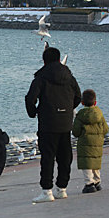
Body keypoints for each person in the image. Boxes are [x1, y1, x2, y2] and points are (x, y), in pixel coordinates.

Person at [25, 47, 81, 203]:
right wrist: (68, 108)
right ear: (58, 59)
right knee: (65, 156)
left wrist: (34, 112)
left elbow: (30, 98)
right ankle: (61, 188)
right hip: (65, 122)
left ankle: (46, 191)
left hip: (48, 123)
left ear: (44, 61)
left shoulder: (41, 77)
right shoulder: (69, 77)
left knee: (48, 157)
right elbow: (78, 96)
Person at [72, 89, 109, 194]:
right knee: (95, 161)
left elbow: (76, 132)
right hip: (97, 142)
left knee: (86, 163)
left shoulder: (80, 116)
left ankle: (89, 183)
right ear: (95, 102)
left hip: (85, 143)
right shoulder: (99, 113)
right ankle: (97, 181)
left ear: (82, 102)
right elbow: (105, 129)